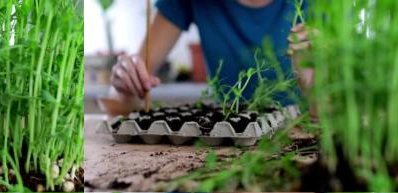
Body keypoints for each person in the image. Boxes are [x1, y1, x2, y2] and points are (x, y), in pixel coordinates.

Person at [109, 0, 313, 112]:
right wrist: (126, 83)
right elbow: (122, 101)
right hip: (221, 155)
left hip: (297, 157)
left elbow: (333, 121)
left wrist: (317, 79)